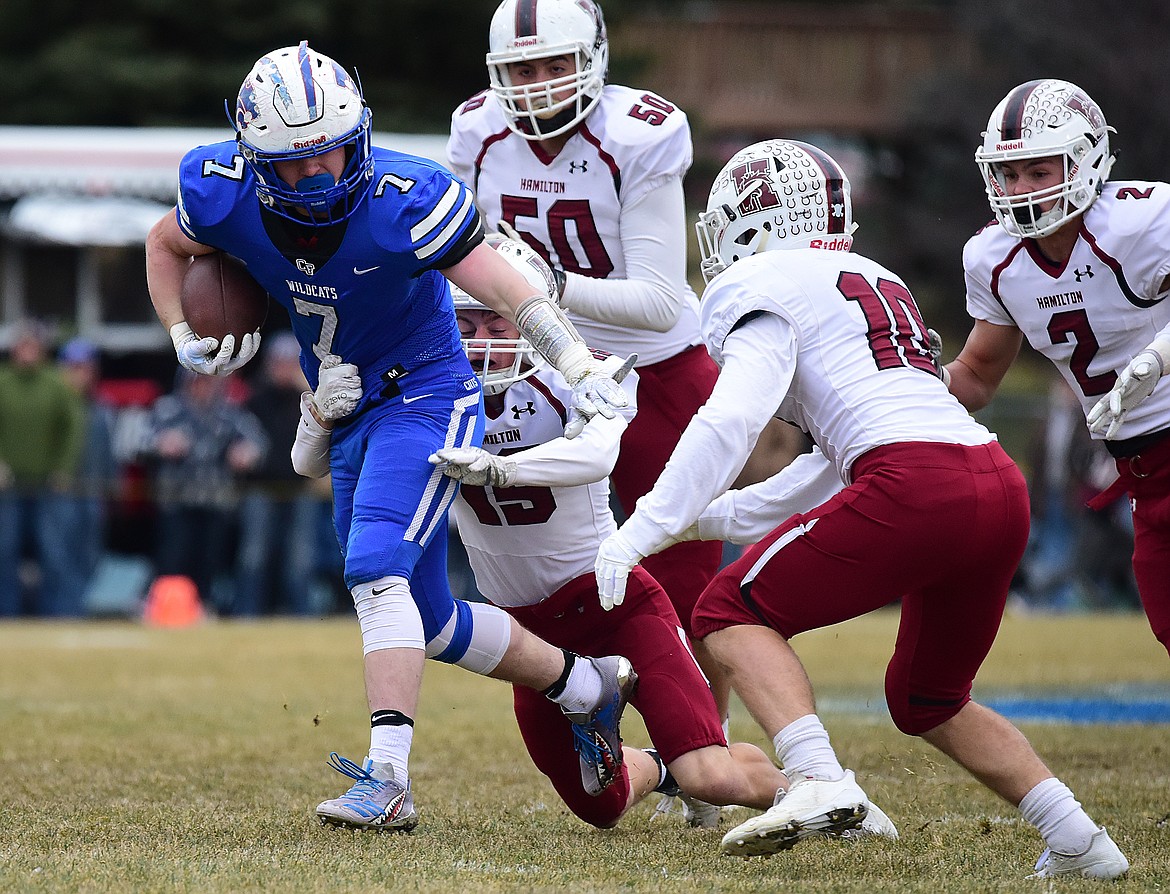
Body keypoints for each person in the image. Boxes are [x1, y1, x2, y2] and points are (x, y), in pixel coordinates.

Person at [593, 139, 1129, 879]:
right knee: (927, 697)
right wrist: (701, 519)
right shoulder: (874, 276)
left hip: (916, 481)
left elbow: (729, 419)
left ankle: (815, 777)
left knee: (726, 611)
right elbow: (825, 467)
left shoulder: (762, 280)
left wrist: (642, 527)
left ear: (752, 224)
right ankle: (1078, 838)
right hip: (995, 486)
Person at [144, 41, 636, 832]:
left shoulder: (405, 198)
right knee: (430, 620)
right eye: (294, 165)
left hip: (429, 393)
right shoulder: (222, 190)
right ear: (253, 158)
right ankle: (587, 687)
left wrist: (576, 364)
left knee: (375, 568)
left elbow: (505, 287)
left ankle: (388, 779)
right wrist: (180, 335)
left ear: (357, 138)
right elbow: (166, 244)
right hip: (345, 403)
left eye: (331, 156)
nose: (319, 177)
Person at [293, 237, 821, 831]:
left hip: (615, 604)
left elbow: (598, 455)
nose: (481, 338)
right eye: (463, 319)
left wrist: (504, 468)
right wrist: (318, 419)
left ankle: (819, 792)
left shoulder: (580, 374)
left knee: (713, 779)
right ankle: (663, 768)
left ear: (533, 314)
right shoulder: (422, 392)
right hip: (532, 639)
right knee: (603, 806)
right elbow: (312, 465)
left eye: (494, 316)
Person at [446, 0, 727, 700]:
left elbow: (660, 299)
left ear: (594, 60)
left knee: (688, 576)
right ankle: (587, 716)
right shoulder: (478, 129)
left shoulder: (640, 133)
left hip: (655, 364)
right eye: (522, 68)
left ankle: (704, 752)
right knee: (552, 579)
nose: (538, 83)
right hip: (536, 372)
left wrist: (546, 285)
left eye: (554, 65)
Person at [944, 78, 1170, 660]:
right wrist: (888, 380)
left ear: (1088, 160)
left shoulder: (1142, 221)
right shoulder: (993, 258)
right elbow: (974, 378)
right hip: (1139, 472)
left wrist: (1161, 353)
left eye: (1039, 172)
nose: (1020, 190)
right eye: (1009, 173)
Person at [137, 370, 269, 607]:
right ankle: (163, 606)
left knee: (209, 560)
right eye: (198, 383)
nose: (203, 388)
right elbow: (138, 440)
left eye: (208, 382)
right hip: (177, 500)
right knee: (172, 558)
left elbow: (258, 442)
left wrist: (247, 452)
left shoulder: (228, 413)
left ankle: (202, 606)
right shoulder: (168, 409)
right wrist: (161, 444)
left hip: (215, 500)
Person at [233, 330, 327, 616]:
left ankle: (301, 616)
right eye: (278, 362)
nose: (282, 369)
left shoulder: (312, 402)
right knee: (254, 556)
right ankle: (246, 614)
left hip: (301, 489)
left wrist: (307, 390)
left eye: (289, 363)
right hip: (260, 489)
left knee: (300, 559)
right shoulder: (254, 401)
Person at [0, 320, 86, 617]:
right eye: (22, 346)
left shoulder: (56, 383)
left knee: (54, 551)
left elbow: (72, 427)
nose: (27, 352)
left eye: (32, 346)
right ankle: (6, 614)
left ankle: (59, 614)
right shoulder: (3, 381)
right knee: (4, 550)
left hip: (49, 484)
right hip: (8, 486)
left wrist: (63, 468)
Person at [58, 336, 120, 609]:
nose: (82, 374)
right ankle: (63, 609)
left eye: (87, 367)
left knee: (90, 554)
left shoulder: (103, 407)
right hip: (62, 492)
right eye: (75, 367)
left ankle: (82, 606)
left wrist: (113, 485)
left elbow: (109, 451)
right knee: (60, 554)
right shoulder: (56, 405)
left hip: (93, 492)